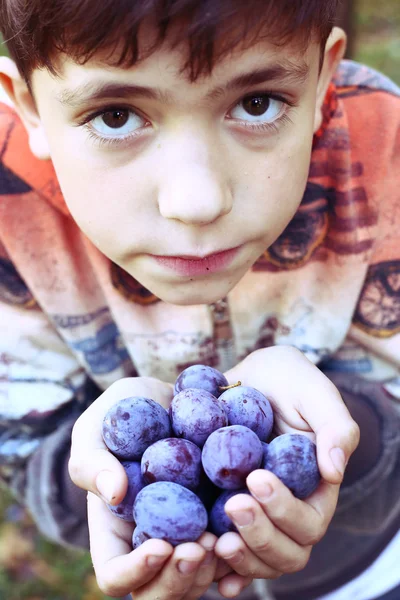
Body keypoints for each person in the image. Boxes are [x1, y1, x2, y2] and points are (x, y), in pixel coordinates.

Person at [0, 1, 399, 599]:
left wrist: (341, 434)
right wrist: (110, 458)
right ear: (28, 104)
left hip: (365, 574)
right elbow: (23, 445)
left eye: (256, 102)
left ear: (322, 81)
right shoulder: (10, 212)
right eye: (114, 115)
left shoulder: (385, 157)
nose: (197, 201)